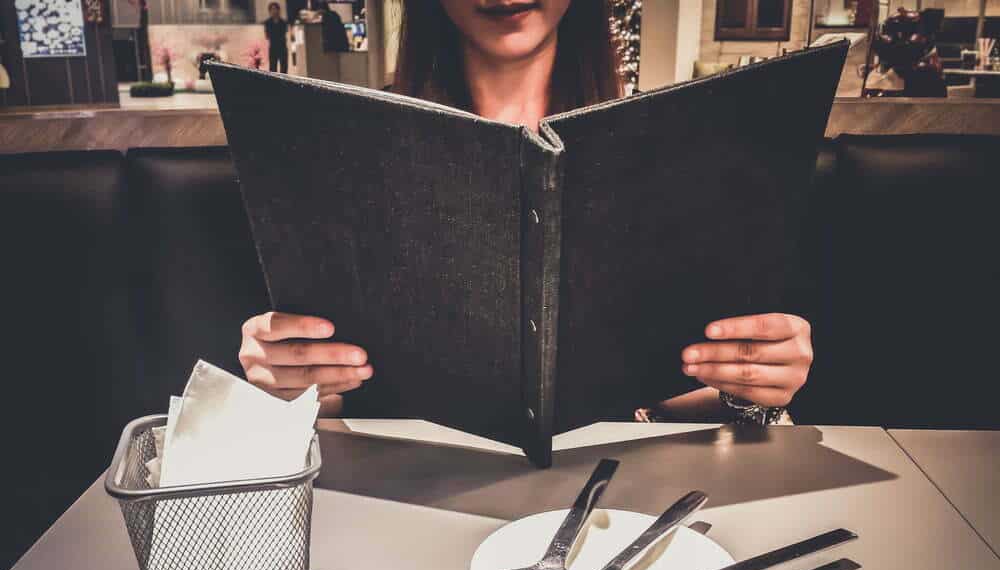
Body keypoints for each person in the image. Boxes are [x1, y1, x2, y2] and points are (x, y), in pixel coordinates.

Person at [238, 0, 814, 423]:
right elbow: (341, 391)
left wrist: (750, 379)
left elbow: (670, 380)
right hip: (412, 491)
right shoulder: (347, 143)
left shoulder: (669, 145)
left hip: (612, 496)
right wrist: (287, 380)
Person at [263, 2, 289, 73]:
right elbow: (267, 36)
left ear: (278, 10)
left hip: (282, 47)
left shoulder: (283, 22)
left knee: (284, 69)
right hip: (273, 48)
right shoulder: (267, 23)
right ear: (269, 11)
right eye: (272, 9)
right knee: (272, 69)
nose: (274, 11)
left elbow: (284, 32)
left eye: (275, 9)